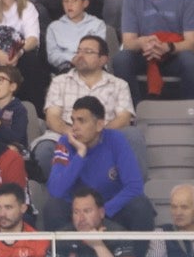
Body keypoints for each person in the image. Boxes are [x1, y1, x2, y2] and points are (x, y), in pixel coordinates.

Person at [45, 95, 152, 230]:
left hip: (111, 210)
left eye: (81, 121)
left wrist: (101, 212)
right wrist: (80, 154)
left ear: (99, 125)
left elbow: (134, 187)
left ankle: (133, 252)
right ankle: (62, 251)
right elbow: (55, 190)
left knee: (140, 205)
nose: (75, 127)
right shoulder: (65, 142)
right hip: (78, 213)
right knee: (53, 207)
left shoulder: (116, 140)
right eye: (73, 121)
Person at [112, 0, 194, 102]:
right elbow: (128, 42)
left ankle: (191, 108)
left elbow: (192, 43)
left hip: (174, 54)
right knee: (121, 59)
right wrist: (144, 42)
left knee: (190, 59)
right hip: (144, 53)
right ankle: (132, 111)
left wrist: (168, 47)